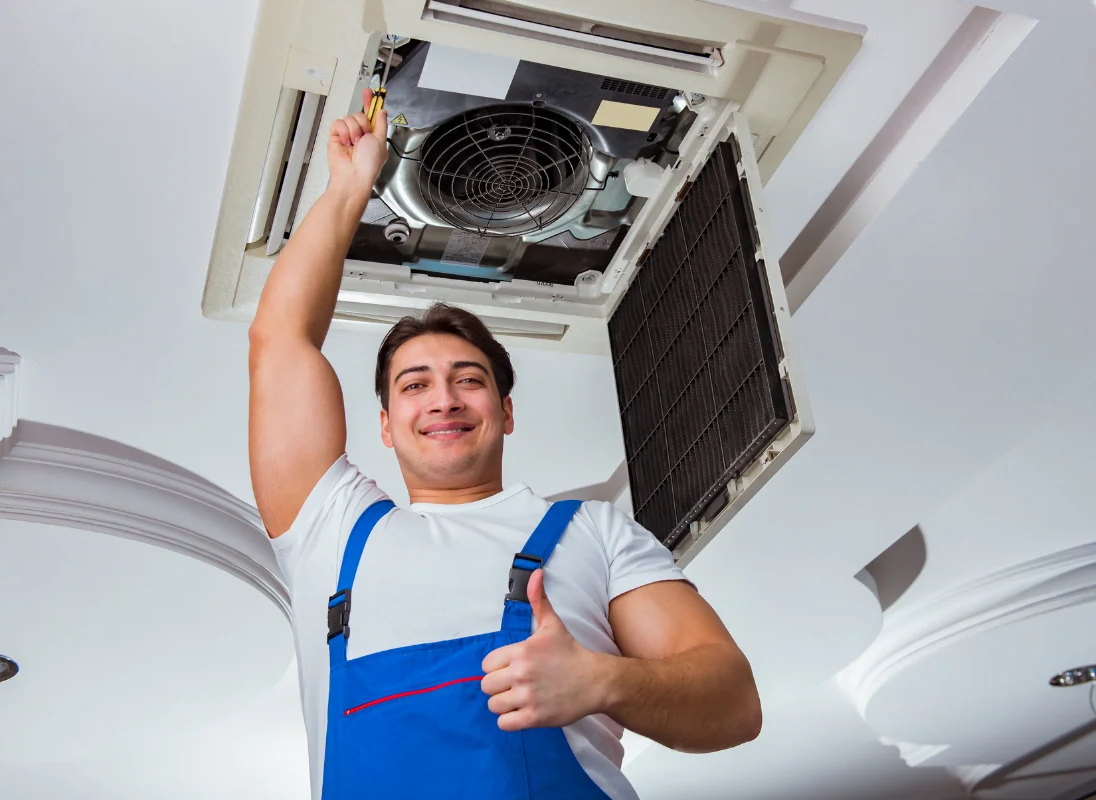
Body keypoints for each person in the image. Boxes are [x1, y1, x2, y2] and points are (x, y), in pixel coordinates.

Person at [248, 88, 762, 800]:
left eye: (468, 379)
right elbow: (281, 342)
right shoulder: (328, 532)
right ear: (386, 427)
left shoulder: (595, 533)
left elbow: (733, 702)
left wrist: (600, 679)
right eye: (414, 386)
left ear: (506, 411)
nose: (445, 399)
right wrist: (346, 190)